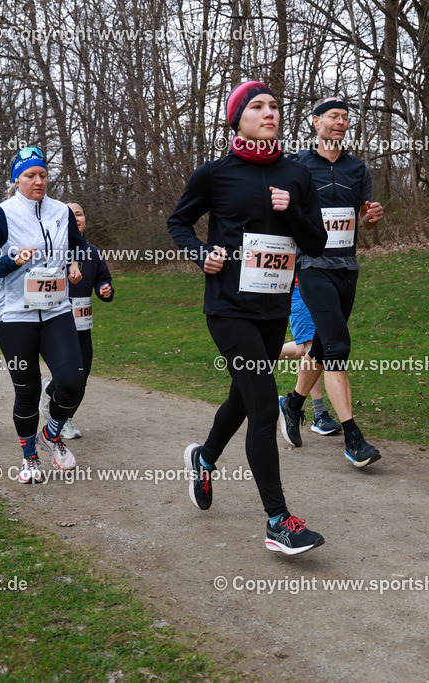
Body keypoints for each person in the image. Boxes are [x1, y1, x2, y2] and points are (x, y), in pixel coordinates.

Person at [168, 81, 328, 554]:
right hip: (228, 305)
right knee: (261, 404)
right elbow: (178, 221)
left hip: (273, 305)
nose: (270, 112)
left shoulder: (297, 175)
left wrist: (293, 209)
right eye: (257, 106)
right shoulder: (215, 174)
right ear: (235, 119)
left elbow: (316, 241)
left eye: (275, 105)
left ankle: (203, 458)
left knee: (243, 396)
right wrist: (201, 254)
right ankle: (279, 520)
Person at [0, 147, 88, 483]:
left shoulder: (61, 211)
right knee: (28, 390)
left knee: (73, 382)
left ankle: (50, 435)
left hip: (55, 308)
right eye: (31, 175)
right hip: (14, 314)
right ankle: (29, 458)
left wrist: (74, 263)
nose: (39, 181)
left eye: (43, 175)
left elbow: (76, 243)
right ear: (16, 180)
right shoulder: (3, 215)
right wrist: (11, 261)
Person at [277, 98, 383, 465]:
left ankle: (291, 404)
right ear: (315, 122)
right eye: (333, 117)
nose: (340, 123)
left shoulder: (358, 169)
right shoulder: (296, 165)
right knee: (337, 346)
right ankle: (353, 438)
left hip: (347, 267)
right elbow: (280, 213)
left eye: (345, 118)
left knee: (322, 346)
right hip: (311, 265)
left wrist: (371, 218)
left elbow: (364, 218)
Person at [38, 201, 114, 439]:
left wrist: (105, 288)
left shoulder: (91, 252)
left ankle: (59, 406)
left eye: (79, 214)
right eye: (69, 215)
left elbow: (103, 279)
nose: (75, 218)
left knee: (83, 374)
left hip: (82, 324)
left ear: (85, 220)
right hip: (56, 324)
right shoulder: (51, 251)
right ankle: (61, 419)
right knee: (67, 375)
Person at [278, 274, 341, 435]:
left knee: (304, 349)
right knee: (312, 350)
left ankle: (261, 355)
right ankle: (319, 415)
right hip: (300, 289)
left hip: (320, 287)